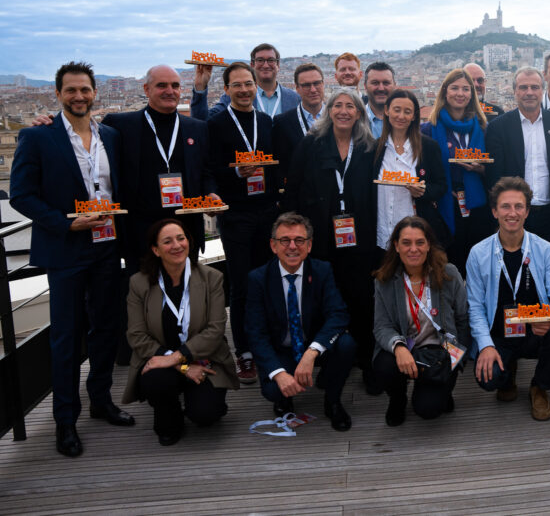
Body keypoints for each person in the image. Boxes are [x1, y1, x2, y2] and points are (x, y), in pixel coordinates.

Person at [10, 61, 135, 457]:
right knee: (66, 337)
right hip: (66, 249)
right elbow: (21, 195)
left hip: (106, 245)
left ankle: (100, 401)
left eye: (85, 90)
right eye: (71, 91)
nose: (79, 97)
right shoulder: (38, 137)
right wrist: (66, 224)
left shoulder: (110, 135)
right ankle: (66, 419)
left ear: (95, 92)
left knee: (105, 328)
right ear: (58, 94)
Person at [101, 65, 220, 365]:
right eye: (162, 85)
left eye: (176, 85)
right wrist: (47, 121)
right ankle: (139, 354)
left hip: (184, 226)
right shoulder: (120, 123)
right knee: (140, 291)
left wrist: (212, 193)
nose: (170, 91)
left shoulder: (195, 128)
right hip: (140, 228)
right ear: (147, 90)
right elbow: (84, 134)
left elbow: (205, 171)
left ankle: (185, 348)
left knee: (185, 291)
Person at [281, 87, 382, 394]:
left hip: (360, 236)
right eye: (337, 105)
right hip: (321, 236)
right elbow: (293, 188)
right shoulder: (311, 144)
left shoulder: (369, 146)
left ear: (359, 113)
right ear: (328, 111)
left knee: (362, 299)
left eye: (349, 106)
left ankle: (365, 359)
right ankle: (324, 358)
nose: (343, 111)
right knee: (323, 299)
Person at [123, 219, 238, 445]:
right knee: (157, 383)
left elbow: (215, 331)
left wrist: (178, 358)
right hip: (161, 360)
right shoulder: (139, 284)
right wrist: (181, 366)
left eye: (181, 238)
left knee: (206, 415)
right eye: (167, 241)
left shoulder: (211, 278)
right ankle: (168, 417)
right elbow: (136, 335)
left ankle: (202, 398)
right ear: (156, 250)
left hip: (204, 359)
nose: (176, 245)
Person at [467, 177, 550, 421]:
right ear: (494, 211)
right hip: (499, 334)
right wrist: (486, 345)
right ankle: (507, 370)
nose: (512, 213)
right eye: (505, 206)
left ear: (527, 211)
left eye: (518, 206)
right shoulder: (478, 253)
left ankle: (539, 387)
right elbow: (474, 307)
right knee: (488, 378)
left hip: (534, 333)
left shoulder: (545, 249)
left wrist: (549, 319)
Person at [246, 212, 358, 431]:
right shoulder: (258, 279)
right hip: (282, 348)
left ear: (309, 245)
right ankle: (284, 397)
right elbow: (255, 332)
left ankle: (332, 401)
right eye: (284, 240)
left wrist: (312, 352)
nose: (292, 247)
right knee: (272, 390)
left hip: (314, 344)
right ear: (273, 245)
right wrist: (278, 373)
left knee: (346, 344)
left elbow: (339, 314)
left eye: (299, 240)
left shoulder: (322, 270)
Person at [207, 61, 280, 384]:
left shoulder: (266, 121)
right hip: (236, 213)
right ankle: (245, 353)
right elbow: (209, 170)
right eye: (236, 85)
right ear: (226, 90)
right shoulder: (217, 123)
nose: (244, 90)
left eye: (248, 84)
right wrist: (237, 172)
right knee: (240, 286)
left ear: (256, 86)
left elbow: (276, 164)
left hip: (267, 210)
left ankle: (270, 344)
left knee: (269, 280)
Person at [372, 217, 470, 426]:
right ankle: (397, 399)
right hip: (406, 347)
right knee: (383, 365)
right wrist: (398, 347)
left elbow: (463, 317)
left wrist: (457, 359)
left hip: (441, 349)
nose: (413, 249)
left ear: (429, 246)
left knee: (429, 410)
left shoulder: (448, 273)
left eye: (420, 242)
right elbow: (381, 326)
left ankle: (441, 385)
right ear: (396, 246)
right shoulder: (385, 281)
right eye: (406, 243)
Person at [485, 67, 550, 262]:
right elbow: (494, 178)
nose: (529, 92)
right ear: (514, 91)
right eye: (523, 87)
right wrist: (498, 218)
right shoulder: (498, 127)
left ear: (542, 90)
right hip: (515, 215)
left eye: (534, 87)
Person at [421, 68, 493, 273]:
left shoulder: (483, 127)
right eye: (455, 88)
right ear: (445, 92)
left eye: (465, 89)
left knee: (479, 262)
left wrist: (481, 169)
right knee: (450, 263)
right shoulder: (428, 129)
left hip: (478, 204)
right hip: (445, 204)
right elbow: (421, 169)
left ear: (472, 94)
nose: (460, 93)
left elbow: (496, 168)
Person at [373, 90, 448, 248]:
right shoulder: (374, 148)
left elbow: (441, 186)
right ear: (387, 111)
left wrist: (422, 191)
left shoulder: (428, 147)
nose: (401, 116)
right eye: (397, 110)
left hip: (416, 233)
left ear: (414, 116)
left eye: (407, 112)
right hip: (381, 231)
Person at [191, 43, 300, 120]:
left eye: (271, 60)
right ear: (252, 65)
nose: (266, 65)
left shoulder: (294, 98)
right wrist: (200, 87)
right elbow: (203, 121)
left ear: (278, 65)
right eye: (260, 60)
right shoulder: (235, 96)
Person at [272, 62, 325, 176]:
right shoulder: (283, 122)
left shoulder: (338, 117)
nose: (313, 89)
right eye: (306, 85)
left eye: (317, 83)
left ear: (323, 84)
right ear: (297, 88)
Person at [363, 61, 396, 138]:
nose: (381, 88)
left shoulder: (406, 121)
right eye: (375, 83)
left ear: (394, 86)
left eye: (386, 83)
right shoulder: (355, 120)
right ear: (365, 86)